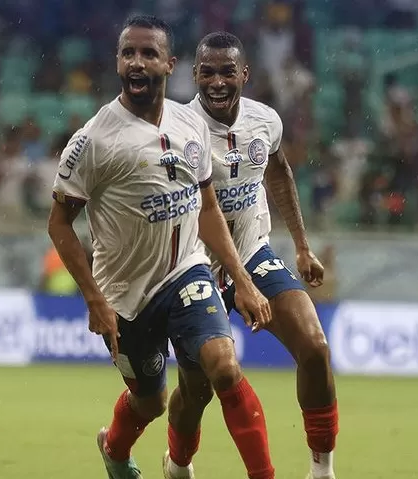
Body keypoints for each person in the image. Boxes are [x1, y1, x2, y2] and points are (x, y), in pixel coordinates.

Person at [48, 16, 277, 479]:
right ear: (117, 62)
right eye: (128, 53)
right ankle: (114, 448)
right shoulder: (94, 140)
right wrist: (94, 298)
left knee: (222, 368)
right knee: (149, 402)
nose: (137, 62)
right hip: (126, 295)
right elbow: (59, 225)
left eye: (149, 53)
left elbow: (208, 208)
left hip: (187, 272)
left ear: (170, 64)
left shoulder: (189, 123)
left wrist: (244, 280)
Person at [163, 32, 341, 479]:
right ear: (194, 75)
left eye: (227, 71)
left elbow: (278, 171)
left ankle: (322, 471)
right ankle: (179, 464)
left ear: (245, 74)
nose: (218, 82)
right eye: (208, 72)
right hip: (194, 268)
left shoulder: (266, 121)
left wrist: (301, 246)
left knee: (316, 349)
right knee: (198, 390)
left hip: (253, 252)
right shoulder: (178, 129)